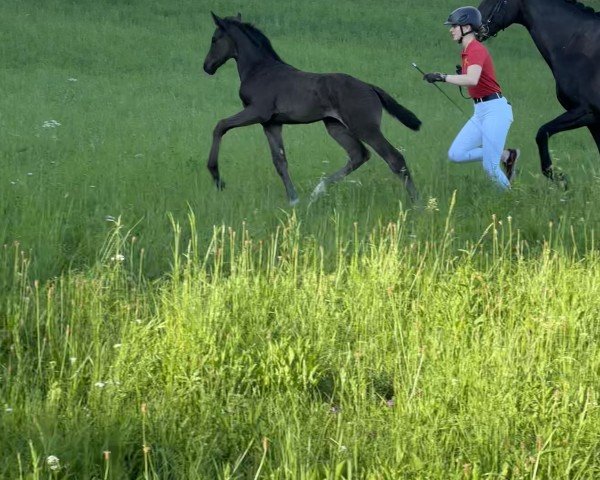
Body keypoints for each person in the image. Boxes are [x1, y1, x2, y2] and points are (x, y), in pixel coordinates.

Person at [423, 6, 519, 189]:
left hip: (495, 111)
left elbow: (472, 80)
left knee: (490, 168)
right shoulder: (467, 51)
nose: (451, 30)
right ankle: (506, 155)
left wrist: (442, 77)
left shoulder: (475, 49)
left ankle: (511, 202)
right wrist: (457, 76)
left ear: (466, 28)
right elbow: (471, 81)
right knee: (456, 153)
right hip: (481, 111)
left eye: (454, 26)